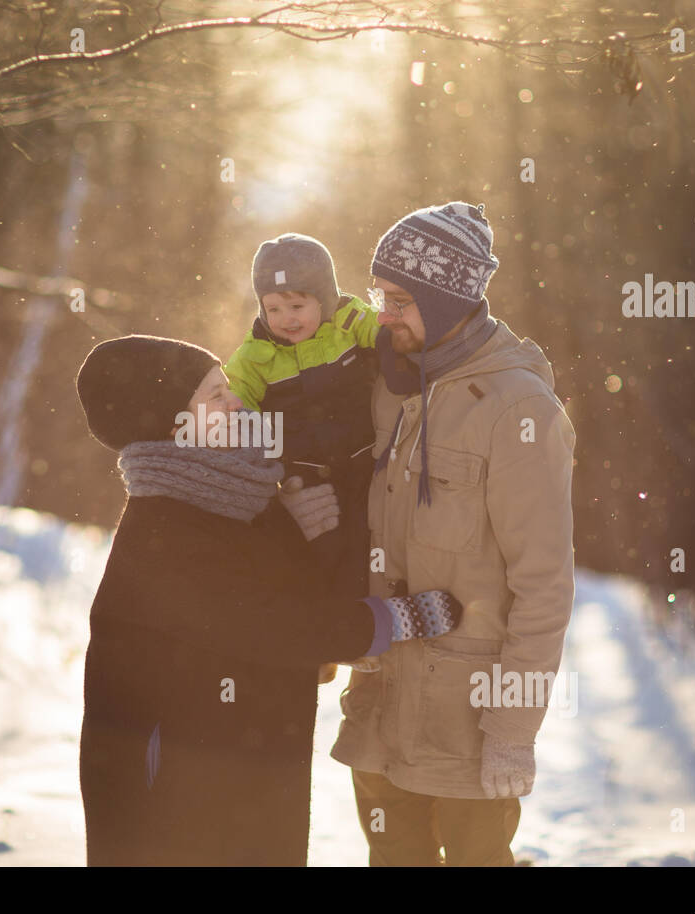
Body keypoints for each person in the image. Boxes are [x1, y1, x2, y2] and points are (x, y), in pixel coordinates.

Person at [75, 334, 463, 866]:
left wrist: (293, 533)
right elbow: (269, 624)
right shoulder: (164, 528)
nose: (236, 402)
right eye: (214, 396)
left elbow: (246, 588)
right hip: (173, 803)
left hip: (234, 778)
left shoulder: (224, 501)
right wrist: (391, 619)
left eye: (227, 387)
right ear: (173, 426)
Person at [330, 202, 577, 867]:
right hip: (381, 709)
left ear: (447, 301)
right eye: (380, 295)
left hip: (467, 728)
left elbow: (544, 585)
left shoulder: (518, 409)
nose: (383, 314)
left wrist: (512, 730)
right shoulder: (389, 389)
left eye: (401, 299)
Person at [224, 233, 381, 607]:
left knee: (371, 542)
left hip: (366, 462)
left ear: (325, 300)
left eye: (296, 306)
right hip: (305, 475)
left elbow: (388, 336)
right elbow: (232, 403)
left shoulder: (348, 322)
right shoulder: (255, 356)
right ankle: (328, 631)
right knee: (322, 549)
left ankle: (366, 625)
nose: (286, 319)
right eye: (273, 309)